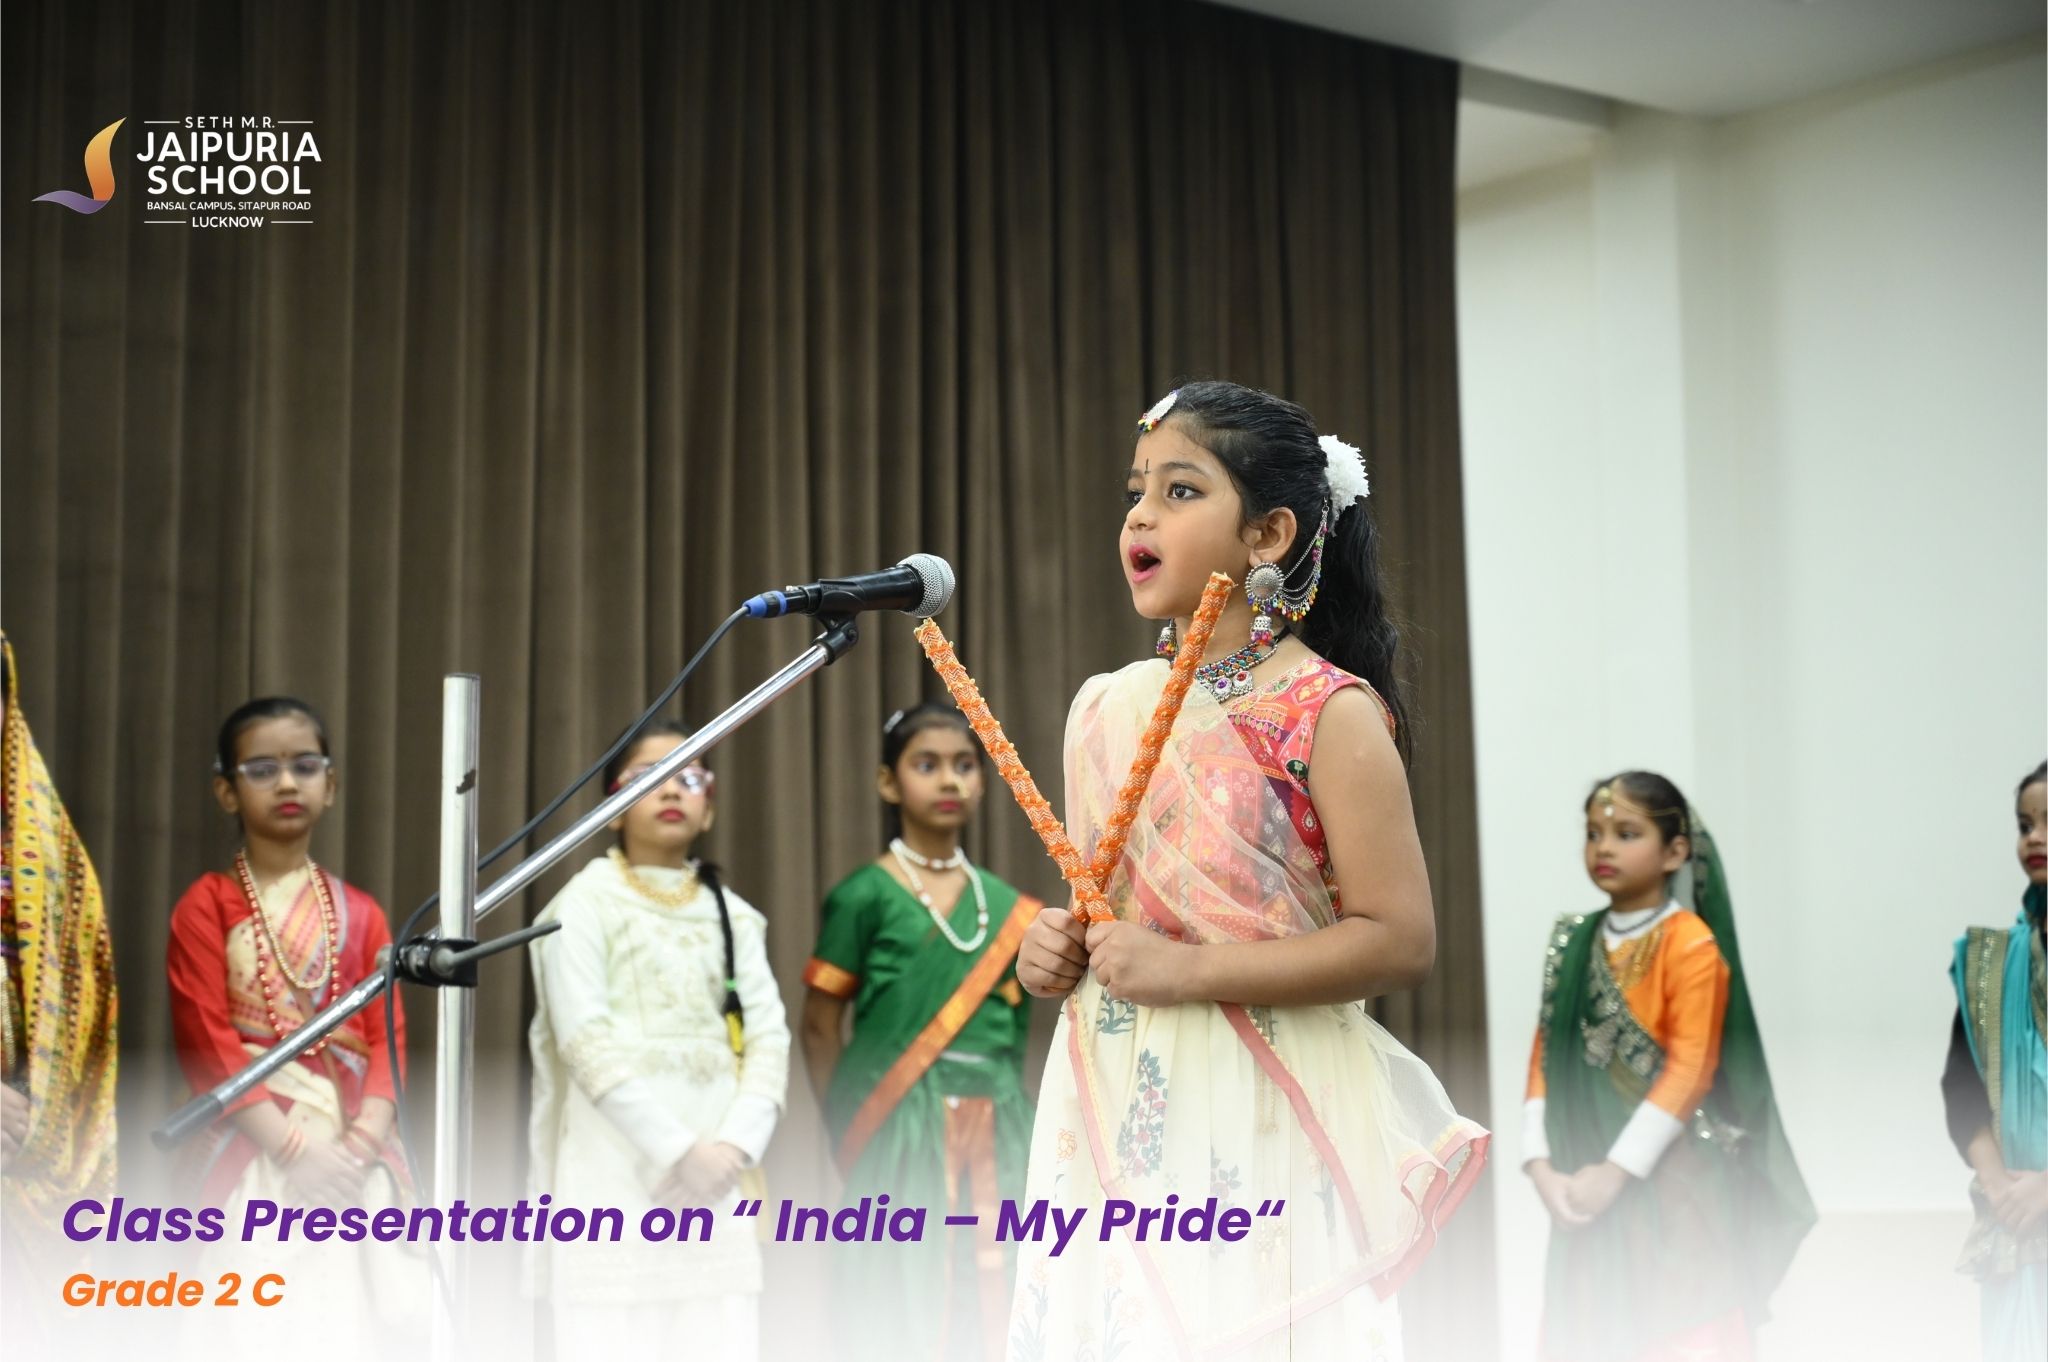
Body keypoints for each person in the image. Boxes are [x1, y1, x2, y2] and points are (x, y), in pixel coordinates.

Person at [1008, 381, 1486, 1360]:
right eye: (1136, 492)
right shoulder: (1107, 707)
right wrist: (1053, 949)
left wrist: (1188, 971)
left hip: (1265, 1102)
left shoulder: (1328, 709)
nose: (1140, 516)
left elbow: (1399, 941)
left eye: (1180, 491)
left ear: (1267, 534)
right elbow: (1111, 912)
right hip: (1117, 1093)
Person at [1522, 770, 1813, 1361]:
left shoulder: (1691, 945)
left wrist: (1615, 1173)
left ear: (1675, 852)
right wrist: (1540, 1165)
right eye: (1594, 833)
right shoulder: (1573, 941)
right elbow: (1545, 1054)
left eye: (1626, 833)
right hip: (1580, 1182)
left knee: (1679, 1327)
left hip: (1676, 1185)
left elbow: (1691, 1070)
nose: (1604, 847)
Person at [528, 721, 789, 1358]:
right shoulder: (583, 903)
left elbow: (769, 1040)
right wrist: (679, 1152)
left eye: (689, 776)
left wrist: (731, 1150)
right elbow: (584, 1041)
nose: (672, 789)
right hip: (614, 1178)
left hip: (718, 1184)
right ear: (613, 808)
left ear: (709, 809)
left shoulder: (733, 913)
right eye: (649, 777)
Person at [166, 696, 417, 1335]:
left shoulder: (362, 913)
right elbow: (208, 1044)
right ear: (226, 791)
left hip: (353, 1160)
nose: (286, 782)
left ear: (330, 786)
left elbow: (387, 1043)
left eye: (305, 766)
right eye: (262, 769)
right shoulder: (206, 906)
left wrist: (358, 1149)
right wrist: (295, 1151)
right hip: (256, 1151)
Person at [802, 702, 1042, 1362]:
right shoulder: (865, 896)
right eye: (927, 765)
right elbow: (819, 1029)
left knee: (1003, 1296)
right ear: (888, 782)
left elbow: (1015, 1039)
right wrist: (851, 1129)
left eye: (964, 765)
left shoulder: (1012, 910)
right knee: (898, 1300)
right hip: (898, 1127)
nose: (949, 780)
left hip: (1002, 1128)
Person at [1943, 759, 2047, 1361]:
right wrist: (2000, 1187)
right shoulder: (1993, 963)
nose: (2034, 837)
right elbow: (1960, 1088)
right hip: (2017, 1232)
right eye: (2024, 824)